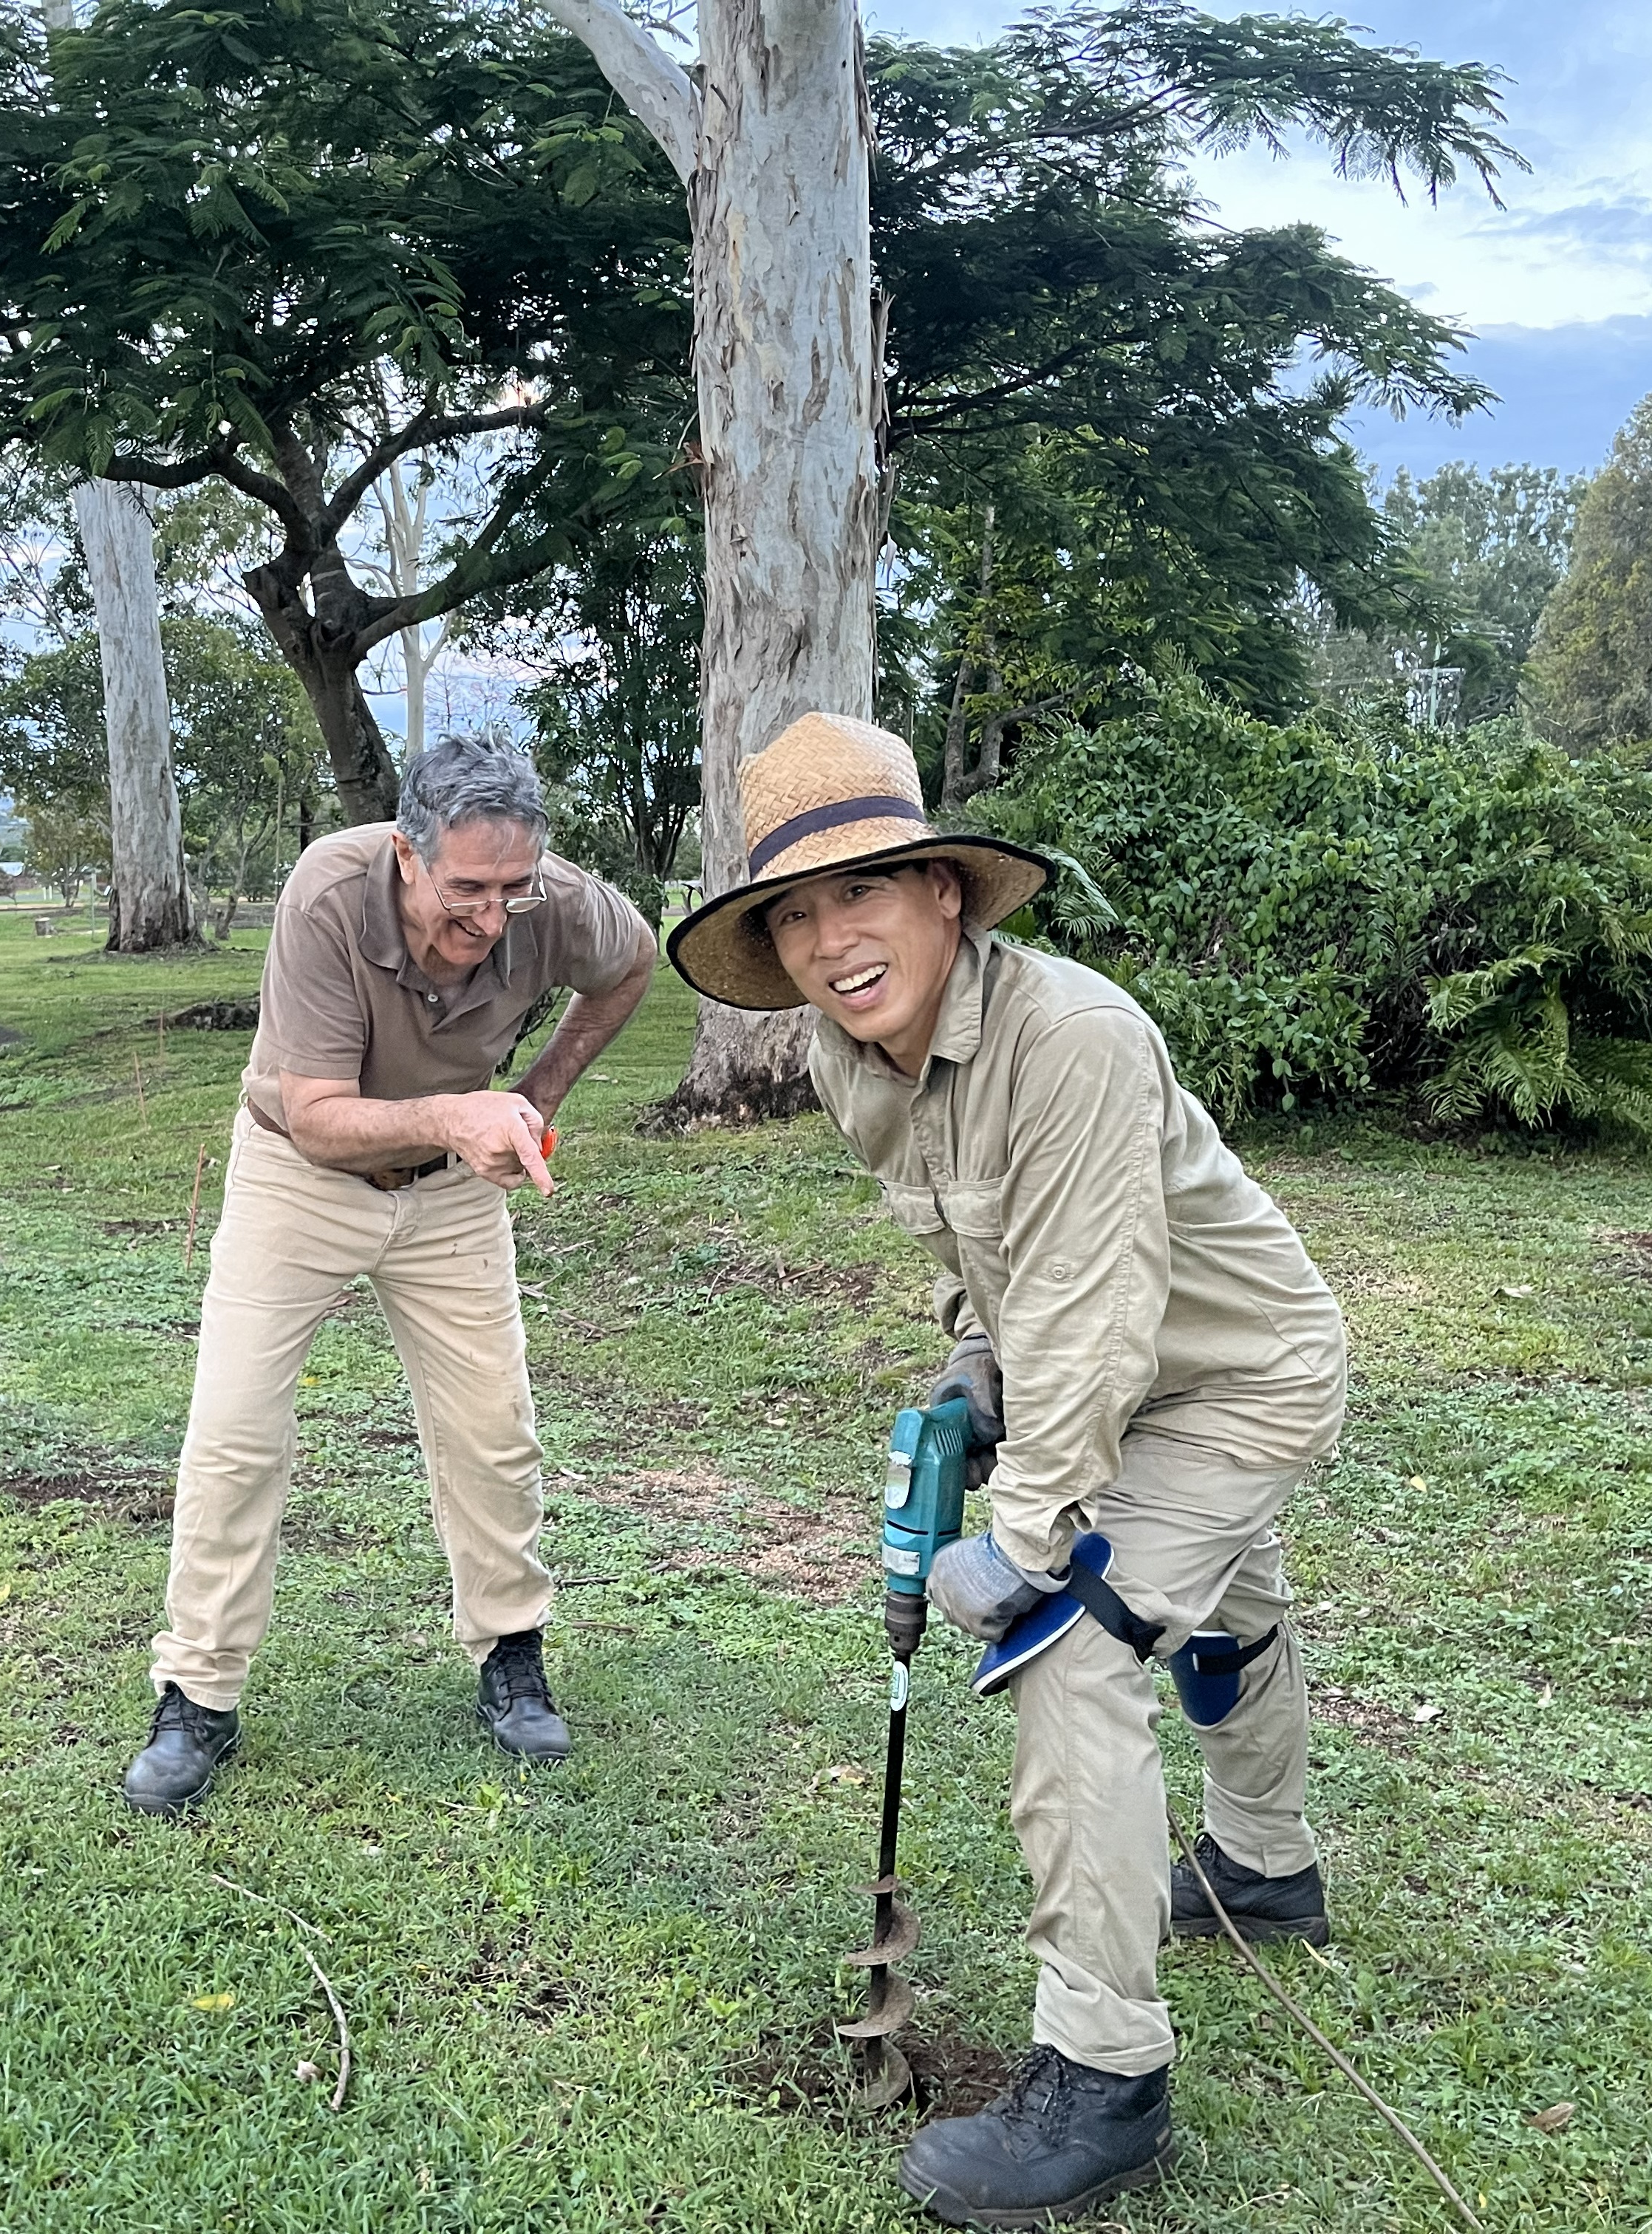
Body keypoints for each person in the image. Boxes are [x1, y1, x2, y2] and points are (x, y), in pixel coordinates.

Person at [664, 713, 1348, 2228]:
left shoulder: (1081, 1041)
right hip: (1111, 1376)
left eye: (864, 895)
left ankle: (1104, 2081)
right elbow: (986, 1254)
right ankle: (1266, 1869)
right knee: (1227, 1615)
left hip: (1239, 1378)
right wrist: (975, 1358)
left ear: (947, 898)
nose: (831, 940)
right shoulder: (856, 1067)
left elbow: (1101, 1317)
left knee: (1071, 1647)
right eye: (794, 912)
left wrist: (1031, 1538)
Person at [124, 739, 659, 1817]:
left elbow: (633, 962)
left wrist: (540, 1093)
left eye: (516, 887)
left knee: (492, 1428)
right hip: (299, 1176)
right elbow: (317, 1116)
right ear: (408, 855)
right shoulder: (328, 893)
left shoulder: (552, 901)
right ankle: (198, 1696)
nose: (495, 916)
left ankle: (511, 1656)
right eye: (468, 887)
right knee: (234, 1434)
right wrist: (458, 1113)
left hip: (454, 1189)